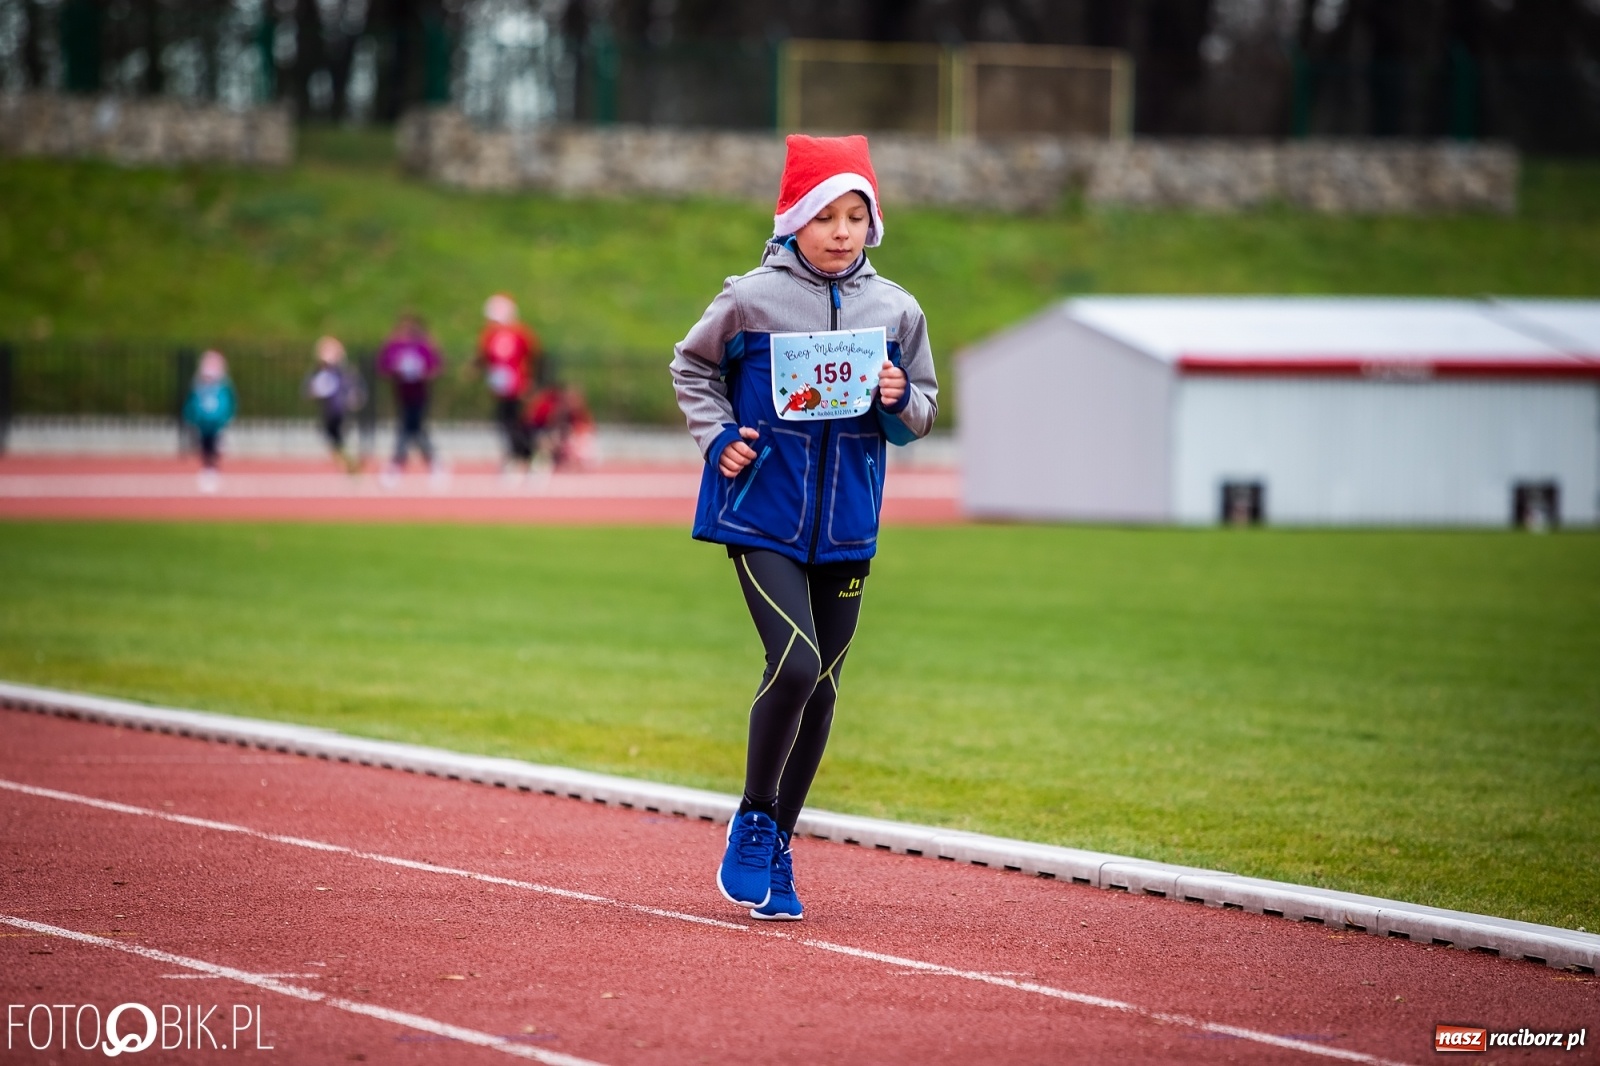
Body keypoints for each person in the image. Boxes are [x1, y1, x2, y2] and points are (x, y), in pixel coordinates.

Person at [670, 134, 938, 921]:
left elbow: (921, 407)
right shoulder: (749, 297)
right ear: (795, 220)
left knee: (822, 688)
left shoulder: (897, 310)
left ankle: (780, 844)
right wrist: (719, 437)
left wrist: (897, 398)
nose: (842, 230)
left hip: (848, 524)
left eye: (857, 215)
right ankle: (755, 817)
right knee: (793, 665)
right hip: (759, 513)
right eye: (826, 214)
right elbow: (691, 367)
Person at [477, 293, 540, 478]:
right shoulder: (490, 335)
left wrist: (530, 382)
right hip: (501, 388)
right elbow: (486, 359)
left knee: (515, 425)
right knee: (505, 425)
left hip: (517, 387)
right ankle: (516, 458)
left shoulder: (520, 333)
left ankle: (524, 458)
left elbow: (534, 357)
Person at [376, 313, 443, 483]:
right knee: (411, 427)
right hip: (402, 393)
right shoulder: (394, 346)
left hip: (419, 393)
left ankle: (401, 462)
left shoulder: (424, 346)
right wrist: (397, 370)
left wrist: (421, 373)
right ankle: (429, 460)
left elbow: (435, 367)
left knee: (410, 427)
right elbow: (383, 366)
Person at [304, 335, 365, 473]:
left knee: (337, 439)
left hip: (340, 411)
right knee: (334, 441)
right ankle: (349, 464)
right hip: (327, 412)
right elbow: (309, 390)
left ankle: (350, 464)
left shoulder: (344, 373)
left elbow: (355, 389)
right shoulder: (318, 373)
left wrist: (354, 397)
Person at [183, 349, 237, 494]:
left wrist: (227, 419)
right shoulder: (198, 388)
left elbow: (229, 404)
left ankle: (213, 470)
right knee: (204, 448)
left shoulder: (222, 389)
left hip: (217, 424)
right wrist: (190, 418)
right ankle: (207, 470)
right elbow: (191, 404)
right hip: (203, 424)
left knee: (215, 447)